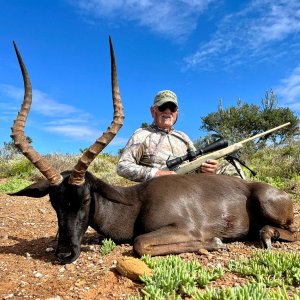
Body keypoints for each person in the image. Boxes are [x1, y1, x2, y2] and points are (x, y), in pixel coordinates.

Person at [117, 90, 242, 182]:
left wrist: (207, 169)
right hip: (159, 191)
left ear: (177, 113)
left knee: (229, 169)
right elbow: (123, 166)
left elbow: (196, 163)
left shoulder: (183, 137)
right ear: (153, 111)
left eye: (172, 108)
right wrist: (156, 174)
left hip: (188, 186)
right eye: (162, 107)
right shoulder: (142, 134)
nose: (167, 111)